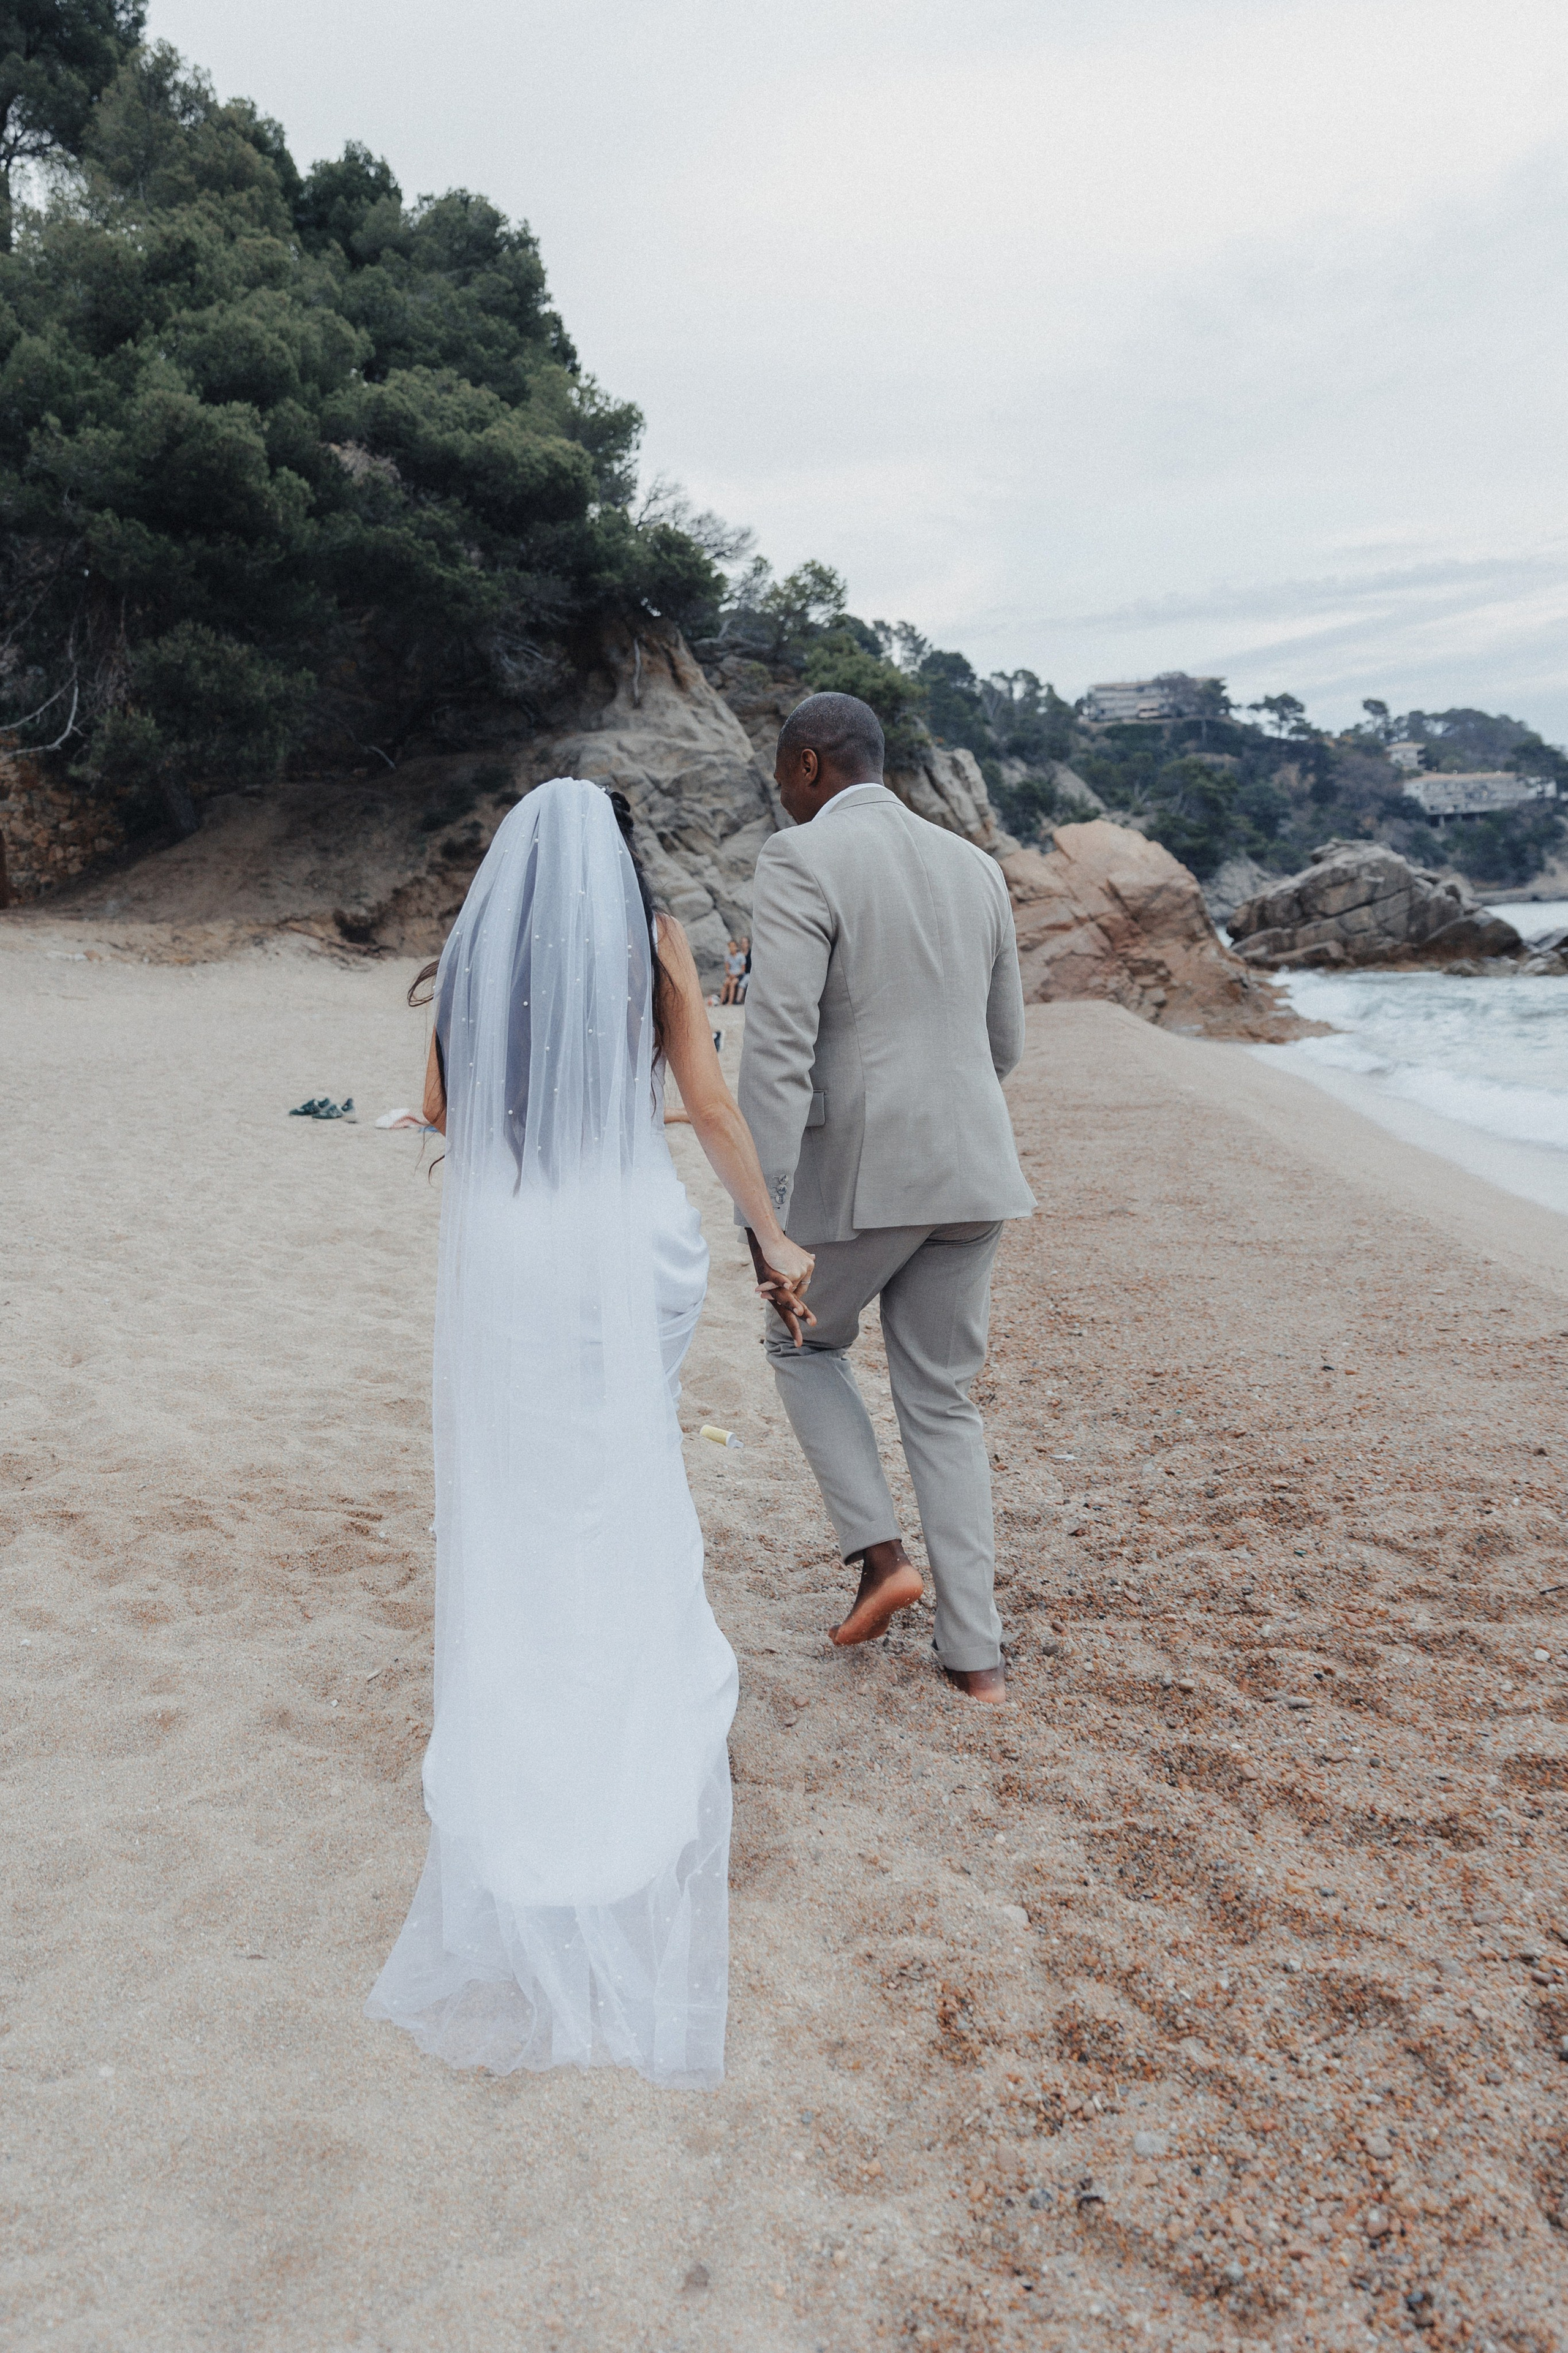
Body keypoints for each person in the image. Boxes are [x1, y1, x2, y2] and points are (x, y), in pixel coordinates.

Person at [366, 778, 813, 2088]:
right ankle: (637, 1737)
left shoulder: (471, 950)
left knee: (527, 1494)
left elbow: (446, 1112)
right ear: (616, 858)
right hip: (628, 1243)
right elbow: (712, 1103)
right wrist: (772, 1234)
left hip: (512, 1248)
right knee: (622, 1478)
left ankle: (533, 1752)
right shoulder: (653, 939)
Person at [737, 693, 1034, 1705]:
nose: (783, 792)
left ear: (814, 765)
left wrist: (763, 1217)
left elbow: (775, 1049)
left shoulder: (800, 857)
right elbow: (1004, 1047)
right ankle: (976, 1657)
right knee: (942, 1399)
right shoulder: (976, 866)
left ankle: (880, 1557)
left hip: (868, 1176)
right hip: (975, 1169)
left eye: (785, 773)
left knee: (798, 1342)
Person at [720, 937, 747, 1006]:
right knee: (726, 983)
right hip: (731, 974)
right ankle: (721, 1001)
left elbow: (743, 969)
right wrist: (730, 974)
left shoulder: (741, 956)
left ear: (736, 947)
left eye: (734, 946)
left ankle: (730, 1001)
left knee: (733, 984)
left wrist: (736, 975)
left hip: (739, 975)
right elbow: (727, 969)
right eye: (730, 946)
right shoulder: (728, 957)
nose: (732, 948)